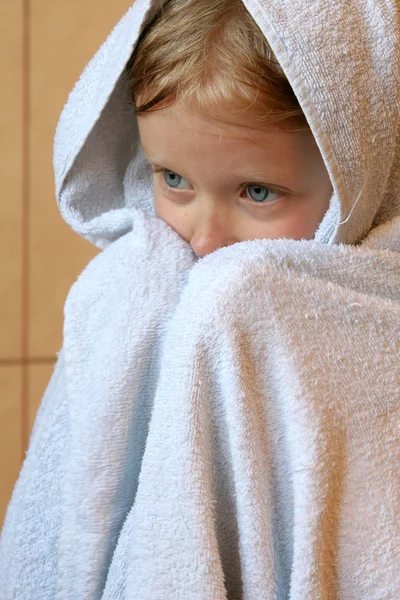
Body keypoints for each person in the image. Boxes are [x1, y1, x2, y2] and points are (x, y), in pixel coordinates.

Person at [1, 0, 399, 598]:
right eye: (174, 180)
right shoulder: (132, 288)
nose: (206, 239)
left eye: (257, 191)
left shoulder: (307, 307)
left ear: (357, 168)